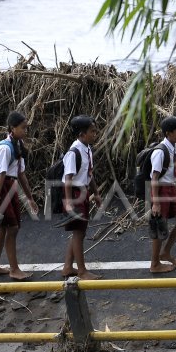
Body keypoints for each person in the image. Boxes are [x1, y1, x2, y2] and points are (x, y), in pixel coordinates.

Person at [0, 111, 39, 280]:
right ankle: (14, 269)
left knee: (5, 228)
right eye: (23, 128)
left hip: (9, 187)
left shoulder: (18, 146)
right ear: (12, 128)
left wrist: (30, 198)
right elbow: (0, 175)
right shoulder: (4, 148)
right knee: (12, 228)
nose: (25, 131)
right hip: (1, 188)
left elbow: (21, 175)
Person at [61, 115, 102, 280]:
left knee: (79, 232)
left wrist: (96, 193)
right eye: (92, 131)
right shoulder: (74, 152)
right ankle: (82, 271)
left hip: (83, 192)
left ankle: (67, 267)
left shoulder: (87, 149)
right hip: (76, 194)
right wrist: (69, 202)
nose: (95, 133)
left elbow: (89, 174)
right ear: (81, 134)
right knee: (79, 232)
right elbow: (67, 179)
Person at [149, 116, 176, 274]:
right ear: (168, 133)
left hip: (171, 189)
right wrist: (156, 202)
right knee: (160, 226)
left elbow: (170, 170)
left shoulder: (174, 148)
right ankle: (154, 263)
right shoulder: (160, 151)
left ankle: (165, 252)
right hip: (161, 190)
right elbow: (154, 177)